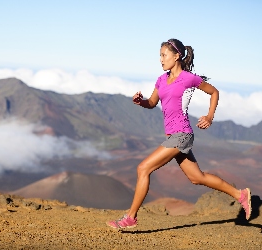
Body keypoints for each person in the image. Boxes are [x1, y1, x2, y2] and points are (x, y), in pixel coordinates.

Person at [107, 38, 251, 229]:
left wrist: (209, 116)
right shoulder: (161, 79)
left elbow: (214, 92)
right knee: (197, 178)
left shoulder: (188, 78)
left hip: (182, 134)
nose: (160, 59)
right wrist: (140, 101)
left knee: (143, 168)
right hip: (173, 136)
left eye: (164, 55)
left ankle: (130, 217)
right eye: (159, 55)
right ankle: (240, 195)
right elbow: (151, 103)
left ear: (177, 56)